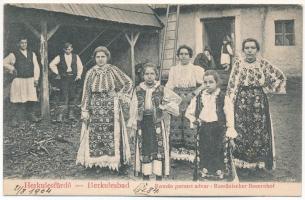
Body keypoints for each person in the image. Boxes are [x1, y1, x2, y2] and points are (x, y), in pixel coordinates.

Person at [226, 38, 286, 176]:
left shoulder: (263, 64)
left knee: (259, 131)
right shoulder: (238, 64)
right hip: (241, 102)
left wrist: (267, 88)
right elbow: (232, 83)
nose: (249, 50)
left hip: (259, 102)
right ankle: (243, 164)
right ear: (243, 50)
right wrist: (230, 100)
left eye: (253, 48)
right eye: (246, 48)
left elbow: (280, 77)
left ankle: (258, 164)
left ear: (257, 50)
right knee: (242, 130)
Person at [76, 46, 133, 173]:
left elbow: (128, 82)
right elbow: (86, 92)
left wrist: (118, 95)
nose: (100, 59)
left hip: (111, 107)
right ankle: (97, 163)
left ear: (107, 57)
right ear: (94, 58)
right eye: (98, 57)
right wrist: (85, 110)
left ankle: (112, 163)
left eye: (103, 57)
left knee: (111, 134)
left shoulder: (113, 70)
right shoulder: (91, 72)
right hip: (95, 107)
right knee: (95, 135)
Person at [128, 63, 181, 181]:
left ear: (156, 75)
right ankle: (146, 176)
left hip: (157, 123)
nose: (149, 76)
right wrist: (132, 128)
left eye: (152, 73)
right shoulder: (138, 90)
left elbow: (176, 100)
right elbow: (133, 109)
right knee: (145, 148)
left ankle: (158, 177)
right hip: (143, 123)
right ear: (143, 76)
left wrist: (164, 106)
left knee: (158, 147)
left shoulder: (161, 89)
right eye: (146, 74)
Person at [185, 70, 236, 180]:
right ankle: (204, 175)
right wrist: (195, 120)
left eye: (211, 82)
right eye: (205, 82)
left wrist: (230, 131)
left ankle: (220, 176)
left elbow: (229, 115)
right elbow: (188, 112)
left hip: (219, 130)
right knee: (205, 152)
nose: (208, 85)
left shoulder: (223, 98)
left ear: (217, 83)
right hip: (204, 129)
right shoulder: (199, 97)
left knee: (219, 153)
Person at [166, 44, 205, 162]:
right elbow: (169, 85)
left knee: (190, 124)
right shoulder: (173, 69)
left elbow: (203, 84)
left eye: (186, 54)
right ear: (178, 56)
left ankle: (191, 156)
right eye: (181, 54)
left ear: (190, 56)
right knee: (176, 125)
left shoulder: (196, 69)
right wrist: (169, 98)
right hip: (177, 99)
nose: (183, 57)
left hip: (191, 99)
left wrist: (193, 94)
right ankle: (177, 156)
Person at [4, 37, 40, 126]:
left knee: (31, 97)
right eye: (22, 43)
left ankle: (31, 115)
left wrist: (36, 79)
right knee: (16, 98)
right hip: (18, 80)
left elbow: (36, 67)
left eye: (25, 43)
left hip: (30, 79)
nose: (24, 45)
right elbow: (3, 63)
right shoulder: (13, 54)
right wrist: (12, 68)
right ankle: (14, 119)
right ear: (18, 44)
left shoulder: (32, 54)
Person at [49, 42, 84, 122]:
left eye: (70, 49)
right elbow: (51, 64)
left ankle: (71, 115)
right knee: (63, 95)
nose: (68, 50)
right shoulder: (60, 57)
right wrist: (57, 73)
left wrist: (78, 76)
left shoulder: (76, 56)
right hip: (64, 78)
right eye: (67, 49)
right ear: (64, 49)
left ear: (72, 49)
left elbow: (80, 67)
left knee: (72, 95)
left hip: (73, 78)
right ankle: (60, 116)